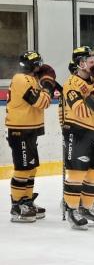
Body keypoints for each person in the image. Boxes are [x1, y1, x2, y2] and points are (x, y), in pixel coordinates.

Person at [61, 46, 94, 230]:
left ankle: (85, 208)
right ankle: (72, 210)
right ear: (80, 63)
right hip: (77, 132)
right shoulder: (70, 84)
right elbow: (82, 111)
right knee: (76, 173)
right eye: (91, 60)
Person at [5, 51, 56, 222]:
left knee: (31, 168)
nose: (39, 67)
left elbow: (43, 100)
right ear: (29, 65)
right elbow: (40, 102)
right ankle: (17, 206)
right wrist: (48, 85)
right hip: (20, 131)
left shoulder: (31, 79)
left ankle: (26, 201)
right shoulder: (21, 79)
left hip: (30, 130)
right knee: (22, 169)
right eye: (36, 64)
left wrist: (45, 85)